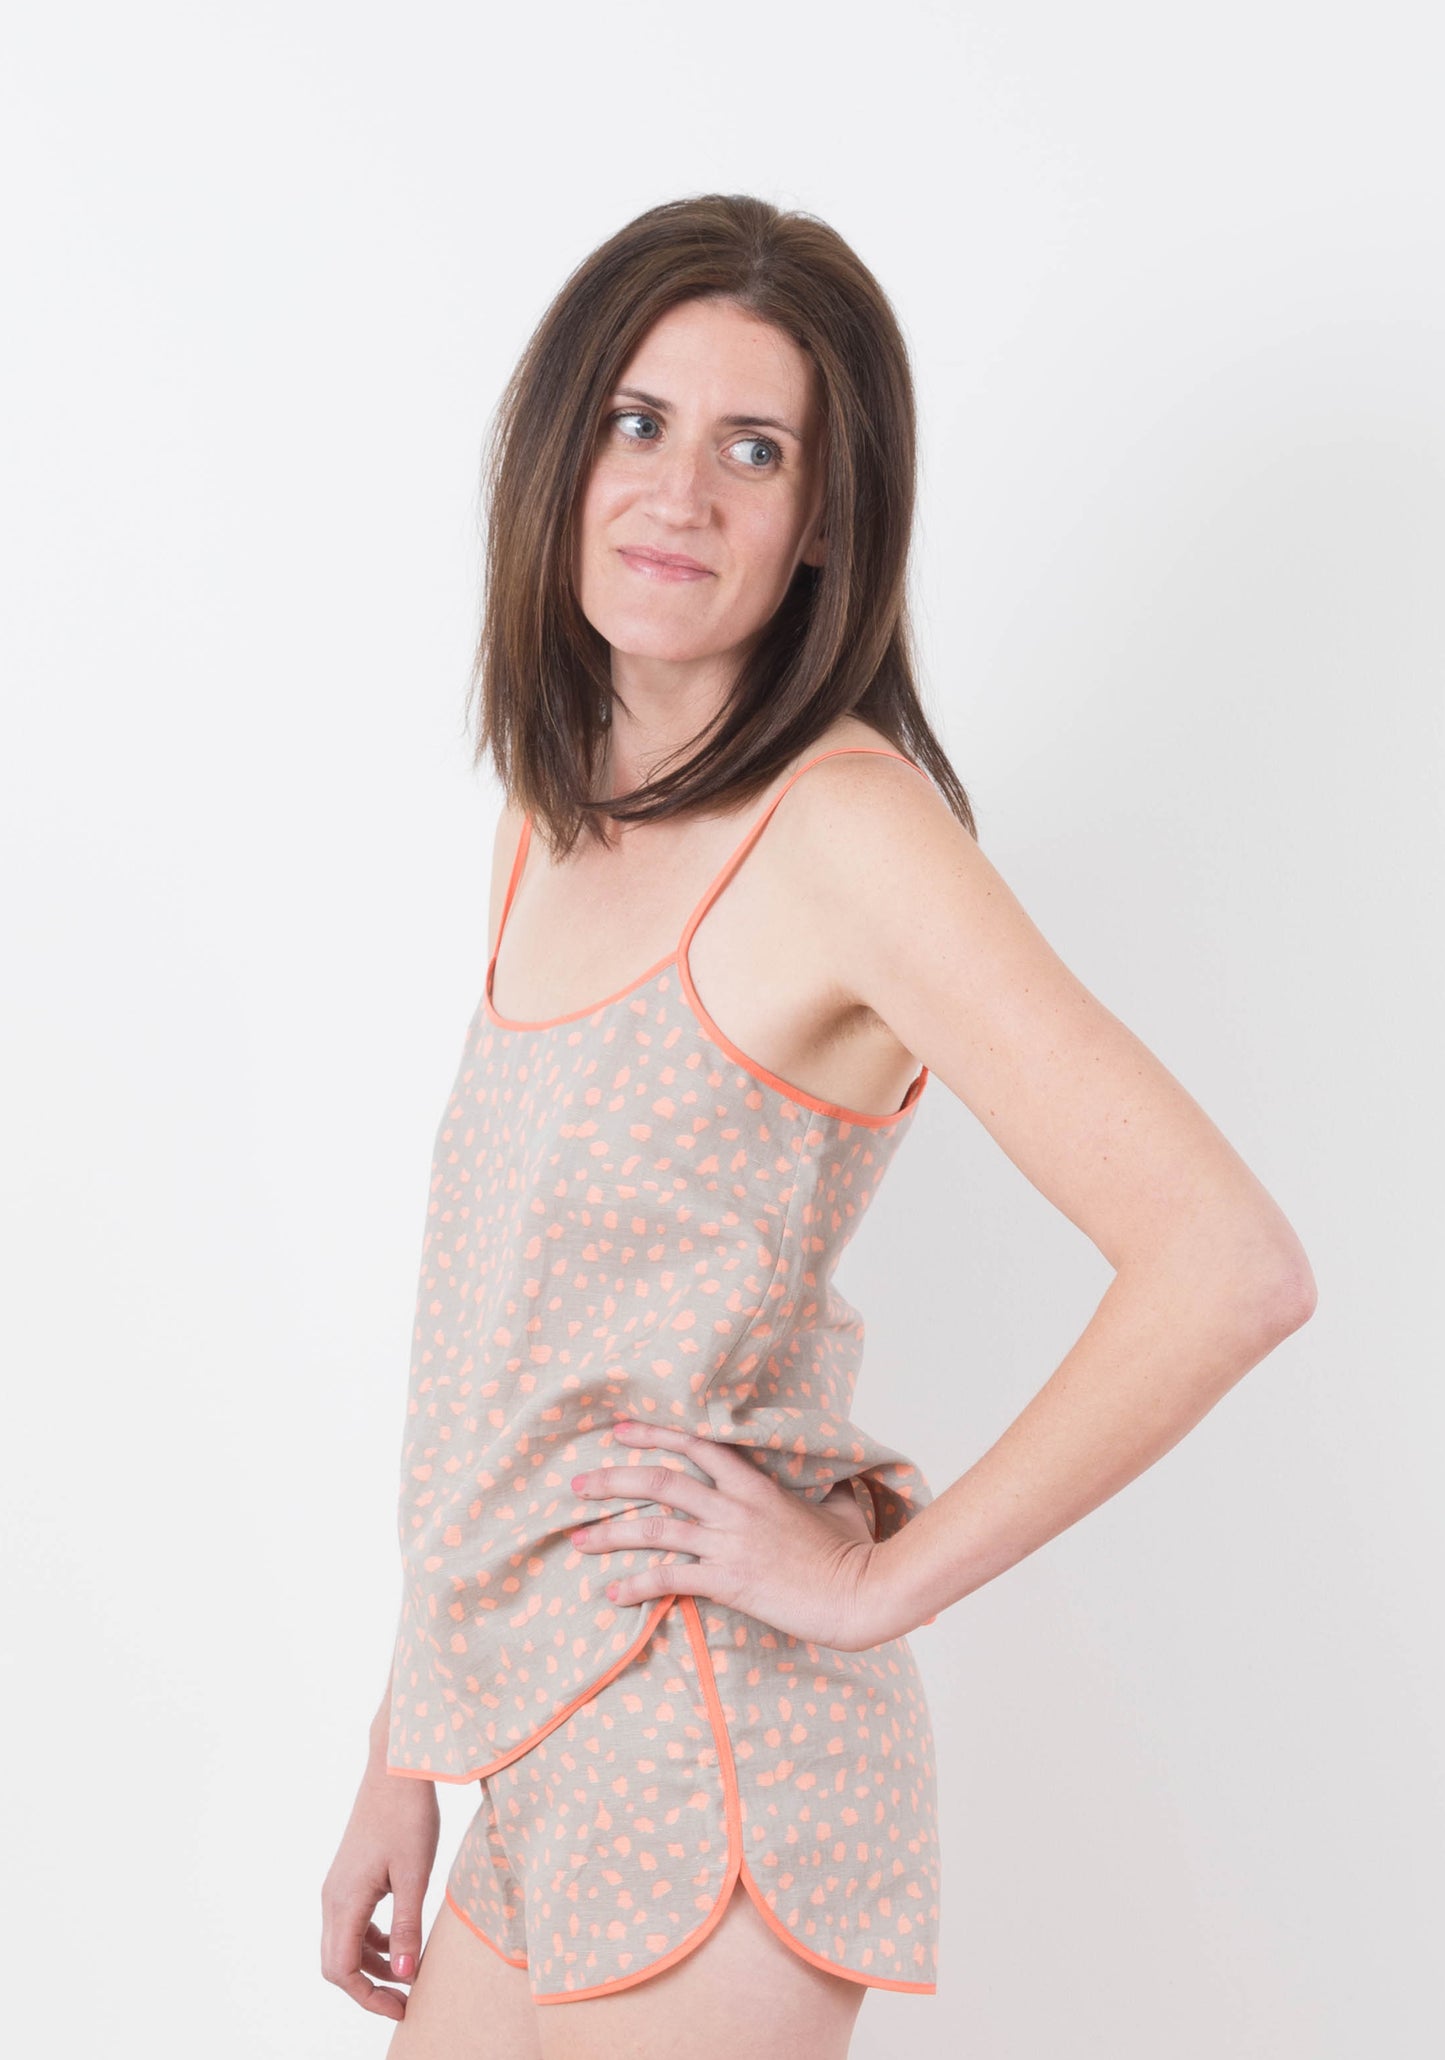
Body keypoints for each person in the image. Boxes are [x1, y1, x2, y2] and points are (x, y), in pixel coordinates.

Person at [320, 193, 1317, 2060]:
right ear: (558, 456)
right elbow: (506, 1350)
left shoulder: (846, 832)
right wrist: (405, 1744)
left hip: (709, 1742)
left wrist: (865, 1583)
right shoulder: (556, 815)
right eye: (638, 421)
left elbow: (1227, 1266)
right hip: (527, 1732)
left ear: (824, 524)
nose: (678, 492)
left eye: (753, 449)